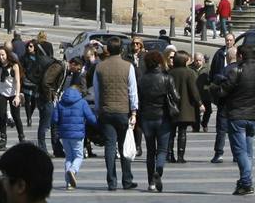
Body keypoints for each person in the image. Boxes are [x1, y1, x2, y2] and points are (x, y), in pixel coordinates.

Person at [217, 45, 255, 195]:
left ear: (241, 56)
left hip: (237, 115)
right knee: (248, 152)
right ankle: (245, 182)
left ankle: (246, 182)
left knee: (240, 152)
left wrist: (217, 85)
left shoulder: (236, 71)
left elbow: (223, 92)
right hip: (253, 115)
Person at [93, 36, 138, 191]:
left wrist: (98, 109)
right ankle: (127, 180)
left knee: (110, 146)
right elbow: (132, 91)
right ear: (121, 49)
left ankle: (111, 181)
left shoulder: (99, 67)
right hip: (123, 111)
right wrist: (134, 111)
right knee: (124, 146)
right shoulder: (128, 66)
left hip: (106, 111)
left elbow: (97, 92)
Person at [136, 51, 175, 193]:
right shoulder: (167, 78)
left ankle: (151, 183)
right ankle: (159, 170)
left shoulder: (141, 79)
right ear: (160, 62)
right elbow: (176, 97)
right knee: (162, 150)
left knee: (150, 151)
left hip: (146, 118)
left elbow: (137, 99)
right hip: (163, 118)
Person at [55, 77, 97, 190]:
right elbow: (90, 118)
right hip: (77, 135)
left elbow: (54, 119)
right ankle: (72, 170)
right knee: (78, 156)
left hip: (64, 135)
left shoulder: (60, 103)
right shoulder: (82, 102)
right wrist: (98, 123)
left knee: (69, 157)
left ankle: (69, 183)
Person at [168, 51, 202, 164]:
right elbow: (194, 91)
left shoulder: (169, 72)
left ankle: (170, 154)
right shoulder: (190, 73)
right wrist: (200, 103)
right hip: (185, 107)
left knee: (171, 132)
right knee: (182, 132)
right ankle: (180, 156)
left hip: (171, 107)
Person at [0, 45, 25, 150]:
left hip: (13, 93)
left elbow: (18, 81)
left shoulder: (14, 66)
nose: (1, 57)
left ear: (7, 55)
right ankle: (3, 138)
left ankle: (21, 137)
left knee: (16, 116)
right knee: (2, 116)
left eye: (3, 55)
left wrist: (17, 96)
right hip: (1, 93)